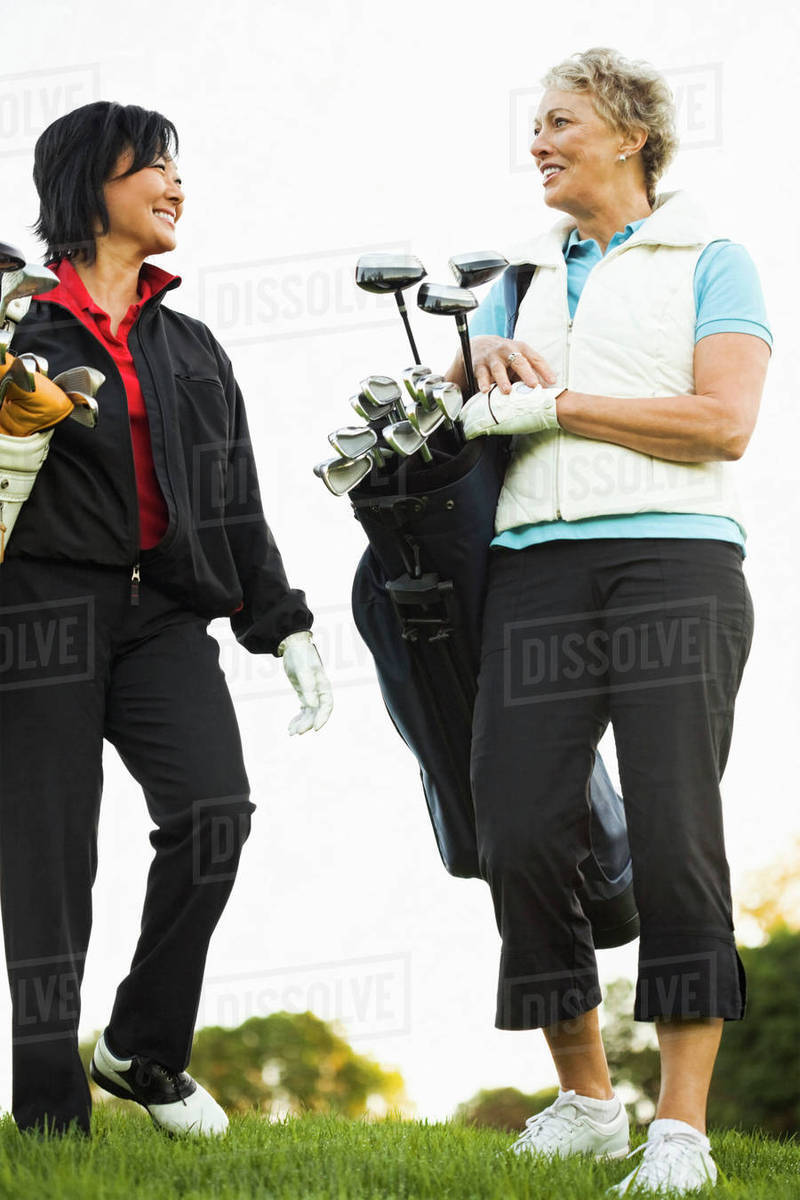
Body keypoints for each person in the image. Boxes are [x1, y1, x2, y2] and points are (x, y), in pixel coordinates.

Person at [447, 48, 771, 1196]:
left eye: (557, 122)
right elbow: (471, 398)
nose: (536, 142)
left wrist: (564, 401)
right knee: (518, 829)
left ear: (629, 134)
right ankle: (585, 1100)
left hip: (672, 561)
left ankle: (678, 1125)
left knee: (676, 828)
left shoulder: (710, 259)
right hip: (532, 567)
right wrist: (477, 352)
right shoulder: (516, 273)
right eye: (533, 126)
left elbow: (721, 422)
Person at [1, 101, 333, 1137]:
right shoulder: (17, 322)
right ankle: (52, 1119)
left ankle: (141, 1049)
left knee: (213, 815)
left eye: (178, 169)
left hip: (161, 616)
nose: (177, 186)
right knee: (50, 862)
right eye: (155, 167)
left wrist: (281, 622)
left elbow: (234, 494)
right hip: (39, 604)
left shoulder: (190, 343)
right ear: (91, 185)